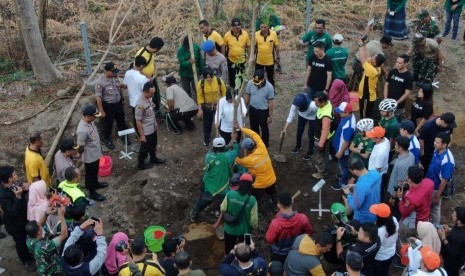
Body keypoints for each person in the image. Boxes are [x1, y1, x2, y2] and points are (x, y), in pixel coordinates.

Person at [190, 136, 240, 222]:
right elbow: (236, 150)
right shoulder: (227, 157)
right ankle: (222, 216)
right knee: (224, 203)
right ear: (224, 147)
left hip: (208, 185)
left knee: (203, 201)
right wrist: (234, 142)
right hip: (222, 188)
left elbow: (220, 153)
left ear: (213, 147)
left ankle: (193, 215)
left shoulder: (208, 155)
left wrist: (227, 147)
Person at [265, 191, 313, 264]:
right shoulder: (303, 218)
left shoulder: (275, 223)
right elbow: (308, 233)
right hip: (297, 251)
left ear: (278, 205)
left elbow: (269, 240)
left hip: (279, 253)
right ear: (292, 202)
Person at [0, 166, 34, 268]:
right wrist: (18, 196)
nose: (17, 175)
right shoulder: (3, 195)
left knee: (25, 239)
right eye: (14, 174)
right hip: (15, 225)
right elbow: (13, 211)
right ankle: (25, 261)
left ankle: (28, 255)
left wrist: (26, 189)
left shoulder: (12, 184)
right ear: (9, 179)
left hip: (22, 219)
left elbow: (21, 192)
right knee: (20, 243)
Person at [235, 128, 277, 208]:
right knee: (273, 193)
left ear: (247, 149)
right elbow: (254, 135)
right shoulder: (262, 147)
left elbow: (237, 160)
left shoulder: (248, 160)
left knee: (254, 197)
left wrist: (233, 147)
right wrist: (242, 128)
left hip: (260, 184)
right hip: (272, 178)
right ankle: (275, 207)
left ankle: (251, 208)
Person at [219, 174, 258, 254]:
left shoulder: (230, 194)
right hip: (244, 231)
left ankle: (229, 260)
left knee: (229, 249)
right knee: (244, 250)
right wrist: (254, 227)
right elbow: (254, 220)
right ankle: (242, 262)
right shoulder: (252, 200)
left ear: (239, 183)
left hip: (230, 229)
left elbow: (222, 208)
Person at [76, 105, 107, 201]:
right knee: (90, 174)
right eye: (94, 116)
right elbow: (80, 146)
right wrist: (81, 156)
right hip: (89, 157)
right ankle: (92, 192)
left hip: (95, 153)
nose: (95, 118)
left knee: (95, 171)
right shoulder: (82, 130)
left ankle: (95, 183)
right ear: (88, 116)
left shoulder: (91, 121)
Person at [95, 62, 129, 150]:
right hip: (108, 106)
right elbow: (98, 97)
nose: (115, 73)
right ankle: (107, 139)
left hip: (118, 103)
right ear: (106, 71)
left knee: (121, 121)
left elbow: (123, 87)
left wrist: (123, 86)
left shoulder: (114, 77)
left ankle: (124, 136)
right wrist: (101, 111)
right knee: (108, 123)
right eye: (113, 72)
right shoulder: (100, 82)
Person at [25, 206, 68, 276]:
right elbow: (64, 234)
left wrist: (46, 213)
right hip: (52, 271)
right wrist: (62, 216)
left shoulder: (29, 239)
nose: (41, 225)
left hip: (41, 268)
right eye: (40, 227)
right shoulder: (45, 246)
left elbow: (39, 224)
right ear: (39, 232)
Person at [426, 132, 455, 226]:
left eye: (437, 142)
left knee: (435, 207)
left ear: (444, 144)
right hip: (430, 182)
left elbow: (444, 180)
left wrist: (437, 194)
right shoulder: (437, 150)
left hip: (436, 187)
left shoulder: (447, 160)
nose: (435, 143)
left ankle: (435, 226)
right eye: (435, 141)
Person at [135, 82, 166, 170]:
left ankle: (153, 158)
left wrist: (155, 122)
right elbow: (138, 120)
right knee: (145, 148)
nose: (153, 95)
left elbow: (151, 112)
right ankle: (141, 164)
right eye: (151, 93)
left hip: (152, 127)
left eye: (153, 93)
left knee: (153, 144)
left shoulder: (149, 98)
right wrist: (141, 135)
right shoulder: (140, 104)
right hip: (146, 130)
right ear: (145, 91)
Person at [342, 157, 381, 223]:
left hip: (363, 218)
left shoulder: (361, 185)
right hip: (375, 211)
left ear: (355, 170)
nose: (351, 172)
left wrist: (348, 194)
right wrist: (356, 186)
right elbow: (369, 186)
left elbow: (355, 205)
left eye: (351, 171)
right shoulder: (376, 173)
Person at [196, 66, 227, 146]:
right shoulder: (201, 83)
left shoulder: (219, 81)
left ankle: (222, 137)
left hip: (218, 105)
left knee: (220, 122)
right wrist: (200, 109)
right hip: (207, 106)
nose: (209, 79)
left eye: (210, 77)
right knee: (207, 123)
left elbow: (224, 94)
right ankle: (207, 138)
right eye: (207, 77)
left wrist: (223, 105)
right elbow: (200, 96)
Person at [134, 37, 164, 116]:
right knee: (148, 96)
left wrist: (154, 71)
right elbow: (137, 70)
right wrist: (148, 77)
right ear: (155, 48)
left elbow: (153, 62)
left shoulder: (151, 52)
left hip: (152, 77)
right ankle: (147, 112)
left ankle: (157, 110)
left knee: (156, 95)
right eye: (158, 49)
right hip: (144, 80)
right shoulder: (141, 54)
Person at [282, 93, 317, 160]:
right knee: (299, 131)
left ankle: (310, 152)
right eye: (297, 106)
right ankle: (298, 146)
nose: (297, 108)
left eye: (299, 107)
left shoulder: (314, 106)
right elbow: (291, 115)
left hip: (313, 118)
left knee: (311, 134)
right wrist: (285, 129)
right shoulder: (295, 104)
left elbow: (321, 113)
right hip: (302, 116)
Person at [357, 37, 386, 119]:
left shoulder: (372, 70)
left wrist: (360, 45)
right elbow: (367, 55)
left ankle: (364, 129)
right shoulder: (374, 65)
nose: (372, 57)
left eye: (374, 58)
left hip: (366, 97)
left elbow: (362, 58)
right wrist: (364, 44)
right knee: (366, 113)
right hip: (367, 95)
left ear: (376, 62)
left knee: (364, 115)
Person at [245, 69, 275, 147]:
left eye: (258, 82)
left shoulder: (269, 87)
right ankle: (255, 144)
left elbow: (270, 102)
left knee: (264, 129)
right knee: (254, 129)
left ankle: (265, 145)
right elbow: (248, 96)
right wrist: (245, 108)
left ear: (263, 79)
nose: (256, 84)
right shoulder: (250, 83)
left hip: (263, 112)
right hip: (252, 110)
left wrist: (270, 116)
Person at [370, 203, 399, 276]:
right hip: (391, 252)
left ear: (379, 218)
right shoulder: (394, 220)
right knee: (385, 271)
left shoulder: (380, 231)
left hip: (380, 258)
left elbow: (374, 245)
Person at [332, 102, 356, 190]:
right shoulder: (348, 116)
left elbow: (346, 141)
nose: (339, 113)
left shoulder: (348, 126)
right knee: (342, 165)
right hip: (339, 145)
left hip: (343, 150)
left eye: (341, 112)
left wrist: (340, 152)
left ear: (347, 112)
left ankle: (343, 183)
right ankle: (343, 175)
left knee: (344, 166)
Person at [312, 91, 335, 179]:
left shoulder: (326, 116)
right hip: (323, 136)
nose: (315, 104)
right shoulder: (327, 103)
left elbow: (325, 130)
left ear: (323, 102)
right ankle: (324, 169)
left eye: (316, 102)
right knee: (324, 154)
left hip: (322, 138)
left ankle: (321, 172)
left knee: (320, 155)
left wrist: (320, 144)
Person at [124, 55, 149, 133]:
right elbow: (146, 92)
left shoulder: (127, 73)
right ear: (141, 66)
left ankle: (139, 134)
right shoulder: (142, 78)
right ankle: (145, 135)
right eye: (143, 66)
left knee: (136, 120)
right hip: (142, 103)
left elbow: (125, 85)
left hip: (133, 102)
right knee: (144, 120)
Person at [384, 54, 413, 119]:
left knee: (395, 122)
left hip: (398, 107)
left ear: (406, 64)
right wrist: (385, 98)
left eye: (400, 63)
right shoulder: (392, 71)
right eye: (397, 62)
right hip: (387, 102)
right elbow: (386, 84)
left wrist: (396, 103)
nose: (397, 64)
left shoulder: (409, 76)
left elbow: (407, 93)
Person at [438, 206, 465, 276]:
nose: (452, 215)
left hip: (453, 263)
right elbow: (456, 229)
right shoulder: (460, 225)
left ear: (459, 220)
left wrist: (443, 237)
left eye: (454, 215)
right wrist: (449, 229)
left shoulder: (458, 237)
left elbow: (451, 251)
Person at [223, 18, 250, 88]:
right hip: (231, 61)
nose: (237, 29)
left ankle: (240, 91)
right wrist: (223, 57)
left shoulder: (245, 34)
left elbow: (248, 46)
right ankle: (233, 90)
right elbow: (224, 46)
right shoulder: (227, 35)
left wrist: (249, 57)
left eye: (238, 28)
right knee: (232, 77)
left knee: (241, 76)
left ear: (240, 26)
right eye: (235, 28)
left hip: (242, 61)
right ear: (232, 27)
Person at [255, 22, 280, 86]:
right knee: (257, 76)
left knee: (270, 77)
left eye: (265, 27)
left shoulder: (273, 34)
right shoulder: (256, 34)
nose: (263, 29)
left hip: (270, 60)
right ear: (260, 27)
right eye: (262, 27)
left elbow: (276, 46)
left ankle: (271, 90)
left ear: (268, 27)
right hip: (259, 60)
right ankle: (258, 88)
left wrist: (278, 57)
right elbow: (254, 46)